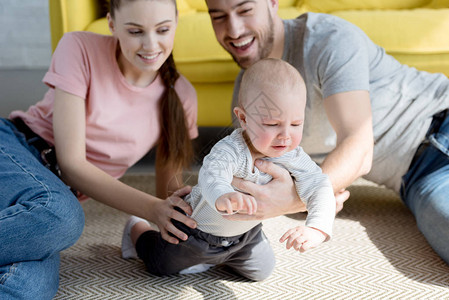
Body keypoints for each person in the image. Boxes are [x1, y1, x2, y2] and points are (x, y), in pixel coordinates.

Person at [204, 0, 449, 265]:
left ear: (272, 3)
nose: (234, 30)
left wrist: (298, 198)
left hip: (439, 124)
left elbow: (358, 146)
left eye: (245, 11)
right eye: (218, 17)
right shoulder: (248, 98)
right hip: (413, 179)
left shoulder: (327, 40)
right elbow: (261, 177)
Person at [0, 0, 199, 298]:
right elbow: (71, 164)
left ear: (176, 22)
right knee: (64, 218)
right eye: (135, 31)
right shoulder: (78, 47)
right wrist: (152, 209)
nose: (151, 44)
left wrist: (180, 218)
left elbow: (166, 196)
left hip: (46, 202)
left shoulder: (181, 97)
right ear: (111, 24)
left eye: (163, 29)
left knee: (31, 284)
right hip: (16, 148)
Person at [121, 58, 335, 281]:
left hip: (244, 235)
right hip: (196, 231)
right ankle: (136, 230)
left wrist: (317, 228)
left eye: (296, 124)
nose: (285, 135)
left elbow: (319, 185)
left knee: (262, 270)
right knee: (160, 263)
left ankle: (220, 258)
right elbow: (211, 176)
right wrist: (224, 195)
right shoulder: (231, 150)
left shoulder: (292, 154)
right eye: (272, 124)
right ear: (243, 118)